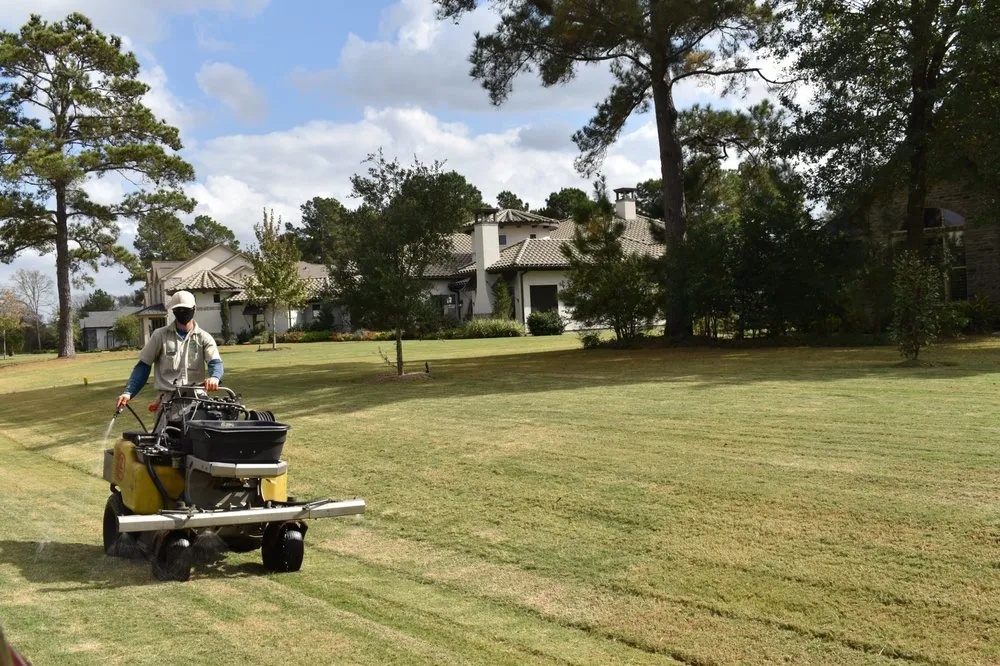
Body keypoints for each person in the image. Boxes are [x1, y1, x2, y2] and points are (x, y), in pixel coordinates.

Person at [116, 290, 223, 426]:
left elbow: (215, 363)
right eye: (179, 309)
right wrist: (128, 392)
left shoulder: (204, 338)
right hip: (168, 401)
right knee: (164, 443)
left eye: (186, 309)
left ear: (194, 309)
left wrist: (215, 378)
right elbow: (143, 366)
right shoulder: (160, 336)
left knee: (200, 442)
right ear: (173, 311)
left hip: (197, 400)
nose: (183, 312)